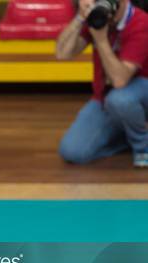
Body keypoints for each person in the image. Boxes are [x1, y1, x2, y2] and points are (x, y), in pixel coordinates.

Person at [56, 0, 148, 166]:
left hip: (141, 92)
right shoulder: (98, 17)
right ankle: (125, 135)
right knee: (72, 152)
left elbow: (120, 81)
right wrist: (79, 18)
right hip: (106, 97)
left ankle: (143, 147)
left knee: (120, 99)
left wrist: (101, 39)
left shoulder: (141, 23)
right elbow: (62, 53)